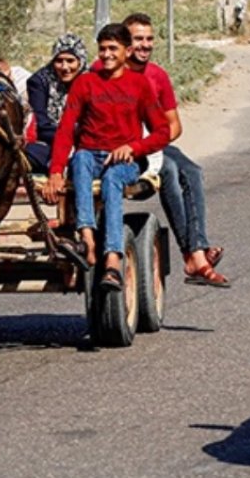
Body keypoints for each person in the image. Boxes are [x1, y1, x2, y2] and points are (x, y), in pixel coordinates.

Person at [43, 24, 171, 289]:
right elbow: (66, 128)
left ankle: (112, 258)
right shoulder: (85, 82)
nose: (107, 54)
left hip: (126, 161)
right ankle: (87, 238)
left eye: (113, 48)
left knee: (112, 179)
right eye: (102, 49)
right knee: (79, 161)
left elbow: (162, 132)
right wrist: (56, 171)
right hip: (90, 154)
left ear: (127, 51)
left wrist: (134, 148)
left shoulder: (140, 85)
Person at [121, 13, 229, 288]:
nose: (145, 45)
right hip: (121, 145)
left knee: (191, 170)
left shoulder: (157, 75)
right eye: (138, 40)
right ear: (124, 42)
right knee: (169, 169)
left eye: (149, 39)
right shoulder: (110, 71)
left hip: (152, 144)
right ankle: (193, 256)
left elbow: (174, 125)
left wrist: (151, 144)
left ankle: (198, 249)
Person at [24, 33, 88, 173]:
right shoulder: (39, 82)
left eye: (70, 61)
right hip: (51, 141)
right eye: (59, 61)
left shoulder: (91, 81)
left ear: (81, 61)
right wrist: (65, 141)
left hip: (85, 143)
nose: (65, 67)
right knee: (28, 153)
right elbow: (41, 124)